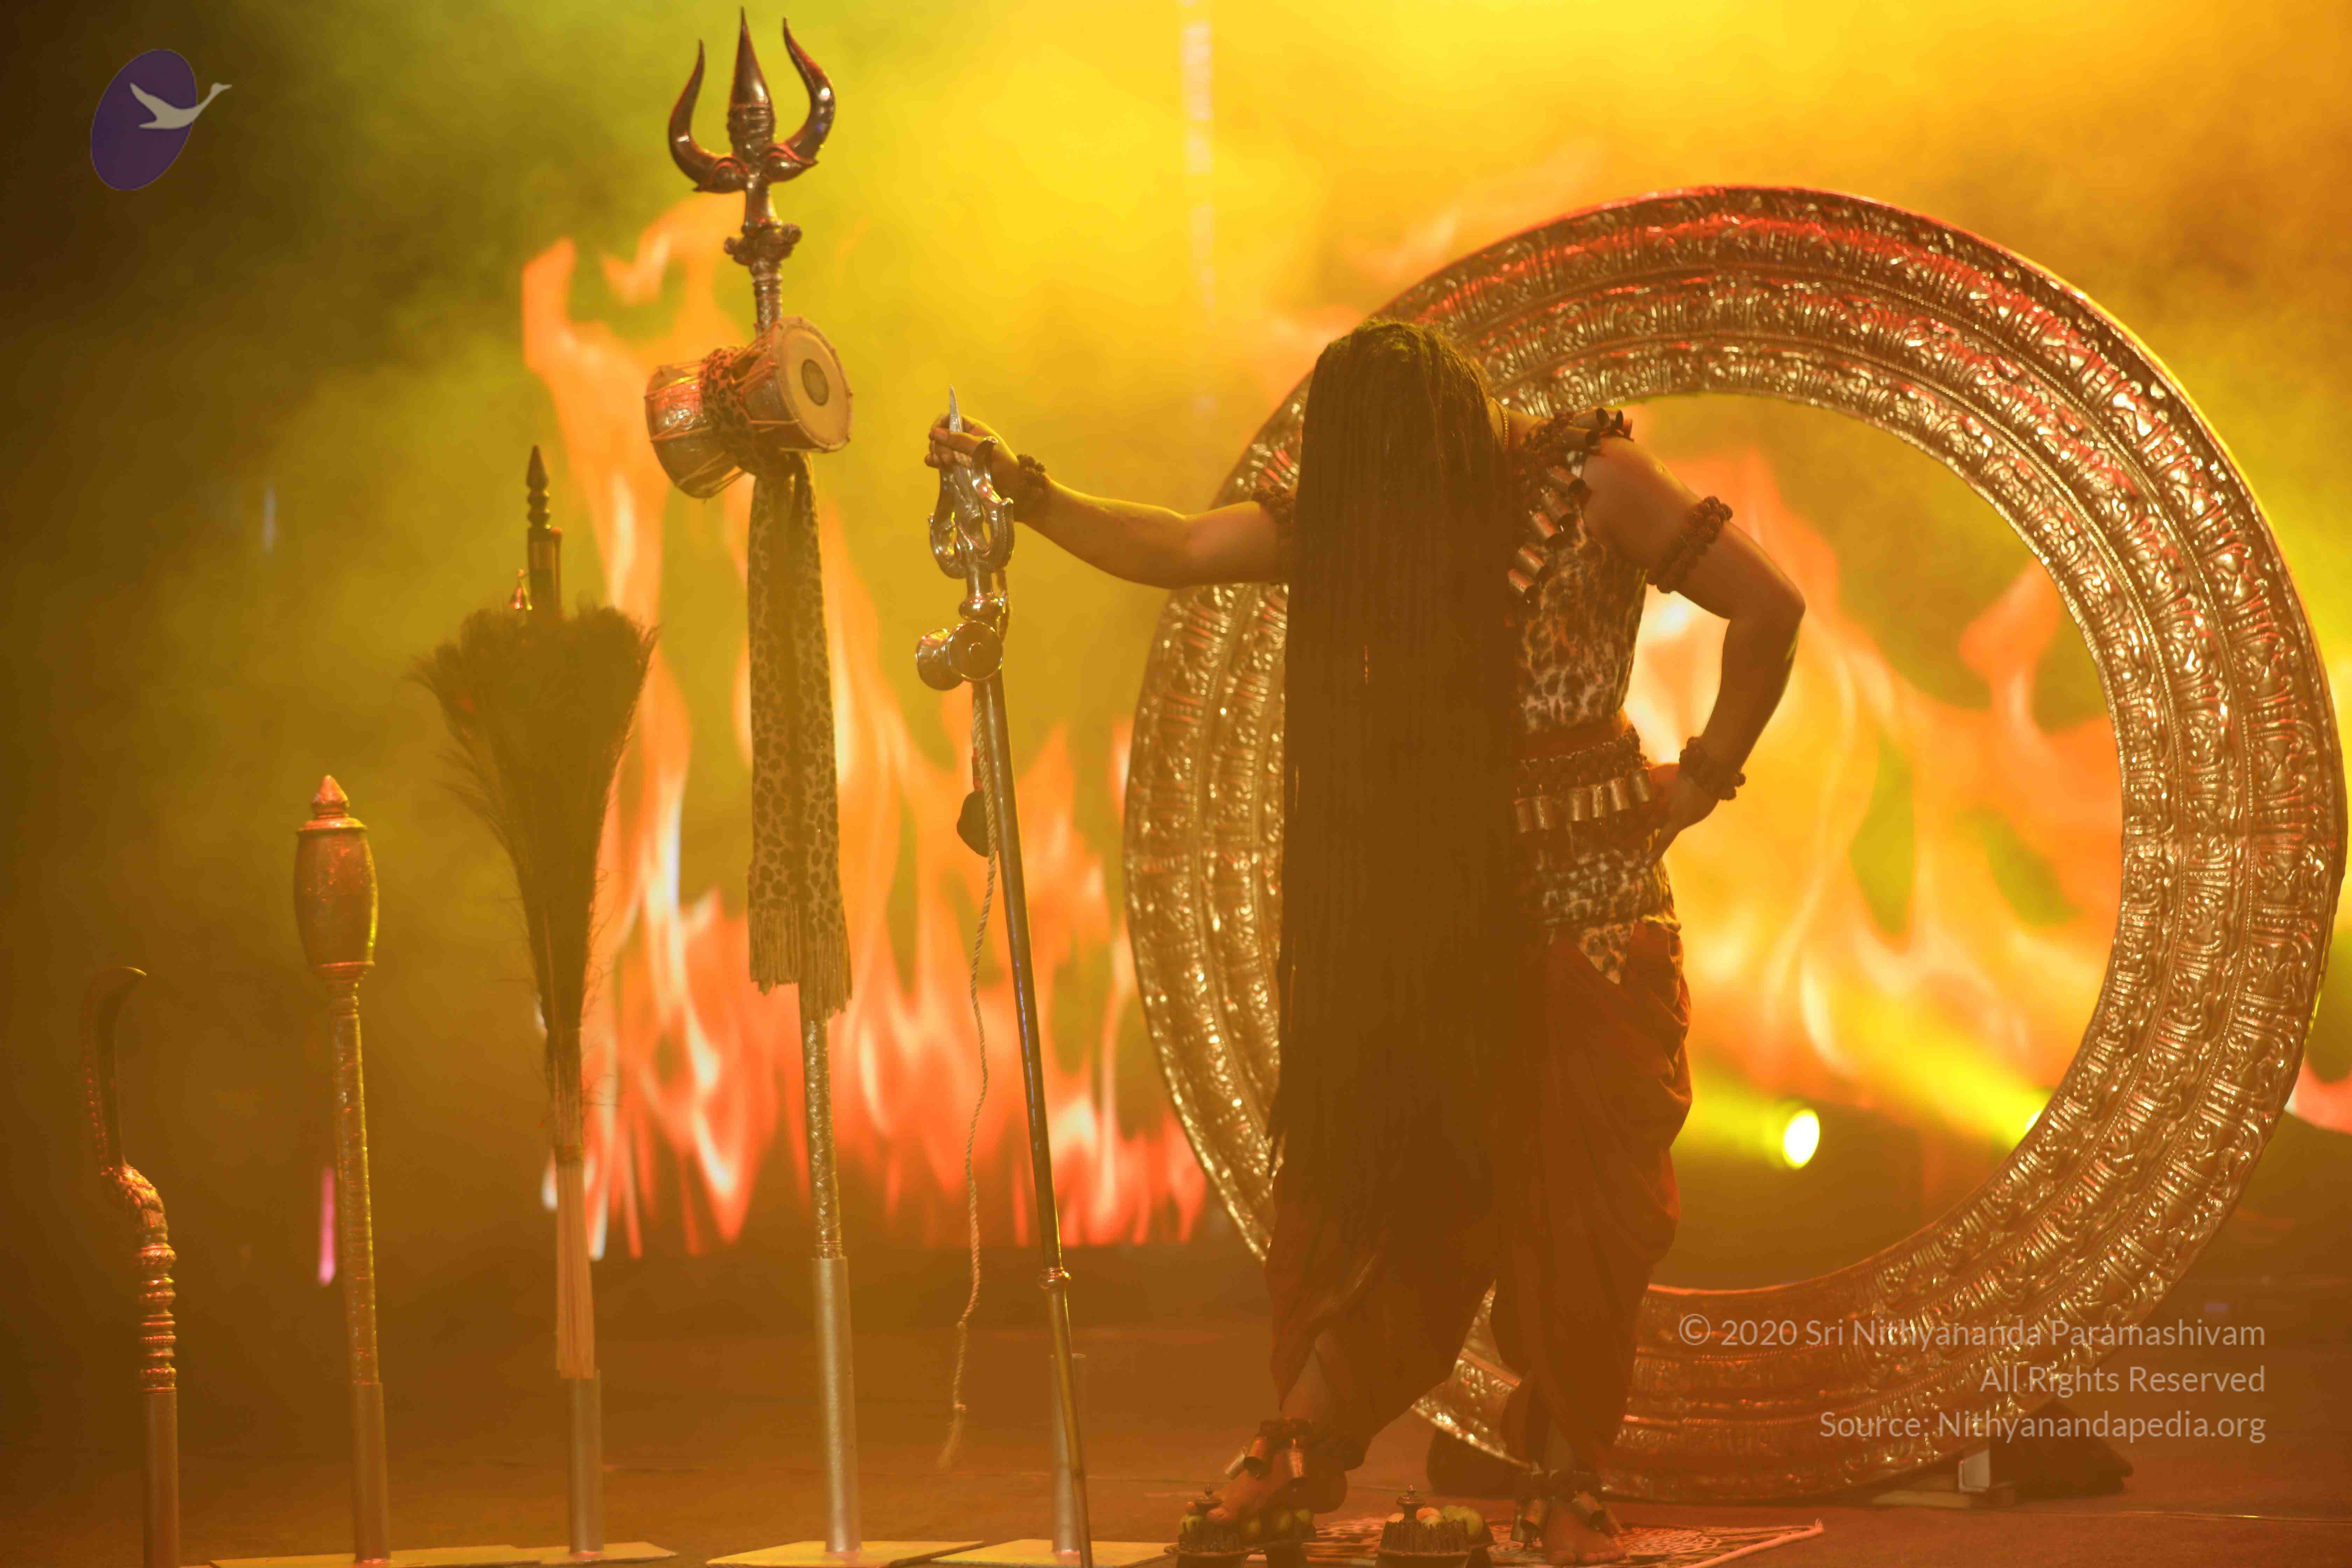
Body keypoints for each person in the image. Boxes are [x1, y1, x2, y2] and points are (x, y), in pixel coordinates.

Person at [925, 321, 1803, 1566]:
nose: (1379, 490)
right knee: (1396, 1182)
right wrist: (1027, 488)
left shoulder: (1587, 478)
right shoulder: (1367, 514)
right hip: (1425, 919)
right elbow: (1176, 548)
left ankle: (1552, 1480)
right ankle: (1306, 1451)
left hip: (1587, 910)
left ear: (1452, 430)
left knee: (1579, 1203)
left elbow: (1768, 605)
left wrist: (1707, 776)